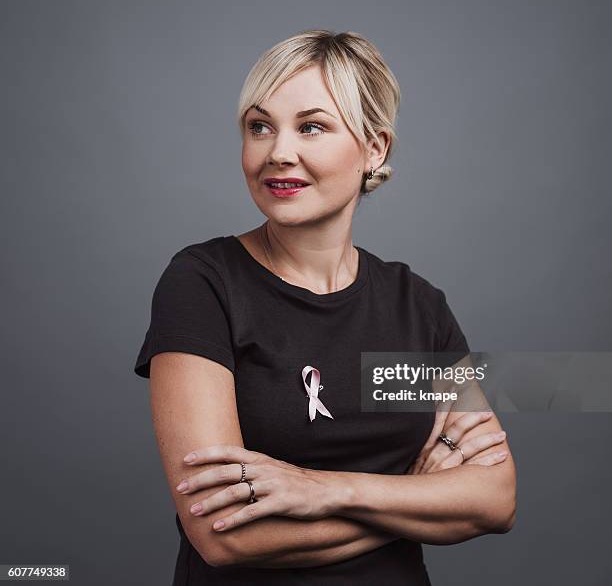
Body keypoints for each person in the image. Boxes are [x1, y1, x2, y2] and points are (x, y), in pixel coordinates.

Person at [134, 29, 516, 585]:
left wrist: (326, 490)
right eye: (259, 127)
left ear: (375, 148)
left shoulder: (417, 306)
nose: (277, 152)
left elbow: (495, 500)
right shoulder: (203, 283)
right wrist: (416, 499)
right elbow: (223, 532)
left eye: (311, 127)